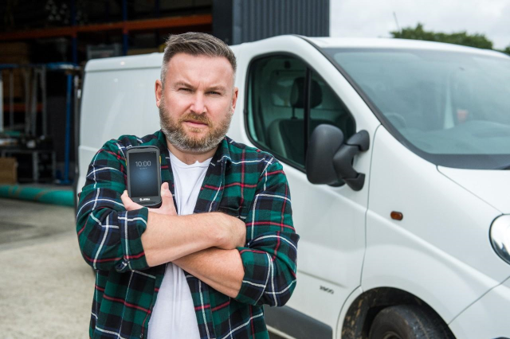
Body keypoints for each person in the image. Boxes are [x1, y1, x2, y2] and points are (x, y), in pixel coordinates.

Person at [76, 32, 299, 339]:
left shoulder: (260, 171)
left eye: (213, 93)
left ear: (232, 100)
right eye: (185, 89)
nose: (198, 106)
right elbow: (98, 240)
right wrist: (220, 228)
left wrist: (162, 233)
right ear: (159, 92)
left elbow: (277, 279)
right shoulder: (120, 157)